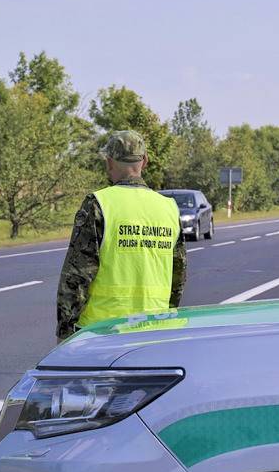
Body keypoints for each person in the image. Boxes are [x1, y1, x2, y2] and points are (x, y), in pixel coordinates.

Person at [56, 130, 186, 341]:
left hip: (103, 332)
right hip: (155, 331)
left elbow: (77, 274)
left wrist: (65, 332)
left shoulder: (98, 204)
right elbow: (177, 278)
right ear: (145, 161)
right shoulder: (169, 208)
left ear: (109, 162)